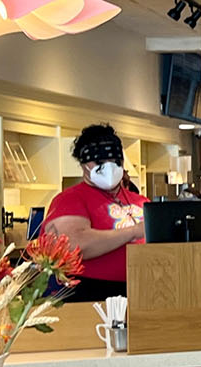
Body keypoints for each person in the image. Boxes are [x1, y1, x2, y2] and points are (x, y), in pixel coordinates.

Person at [42, 124, 146, 304]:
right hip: (91, 293)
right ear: (84, 165)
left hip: (143, 288)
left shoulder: (140, 200)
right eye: (100, 162)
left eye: (115, 161)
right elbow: (73, 245)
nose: (109, 168)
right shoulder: (70, 199)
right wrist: (133, 231)